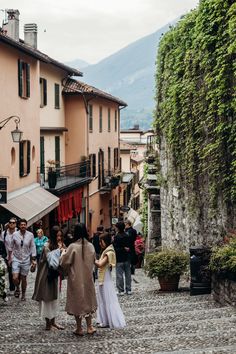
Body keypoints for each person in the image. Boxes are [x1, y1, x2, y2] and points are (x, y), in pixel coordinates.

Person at [60, 223, 97, 336]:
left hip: (75, 277)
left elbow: (64, 262)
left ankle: (79, 328)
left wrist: (62, 253)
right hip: (88, 277)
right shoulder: (91, 246)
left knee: (77, 300)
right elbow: (94, 260)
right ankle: (90, 326)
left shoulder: (72, 247)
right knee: (88, 299)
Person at [32, 226, 64, 331]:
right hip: (47, 275)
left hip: (55, 275)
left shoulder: (60, 245)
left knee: (55, 297)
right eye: (57, 235)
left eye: (60, 235)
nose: (59, 238)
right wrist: (60, 251)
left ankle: (54, 322)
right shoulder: (47, 246)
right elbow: (52, 261)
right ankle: (48, 323)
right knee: (47, 298)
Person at [95, 232, 126, 329]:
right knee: (103, 299)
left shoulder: (109, 252)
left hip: (106, 279)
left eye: (102, 241)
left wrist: (92, 258)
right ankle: (105, 320)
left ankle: (109, 320)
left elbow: (100, 264)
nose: (100, 243)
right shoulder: (107, 251)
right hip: (103, 279)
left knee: (107, 299)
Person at [10, 218, 36, 301]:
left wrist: (33, 259)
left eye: (24, 224)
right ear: (19, 225)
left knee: (24, 278)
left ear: (26, 225)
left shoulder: (30, 235)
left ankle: (23, 294)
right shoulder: (14, 234)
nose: (23, 226)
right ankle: (17, 287)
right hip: (16, 258)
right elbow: (11, 247)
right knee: (15, 278)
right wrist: (9, 258)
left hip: (26, 259)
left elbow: (32, 246)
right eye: (21, 225)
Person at [113, 221, 132, 295]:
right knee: (128, 275)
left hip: (119, 258)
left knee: (119, 275)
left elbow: (115, 248)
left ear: (118, 228)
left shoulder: (117, 237)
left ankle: (121, 290)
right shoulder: (127, 235)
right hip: (127, 257)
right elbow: (130, 247)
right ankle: (128, 289)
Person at [0, 218, 17, 293]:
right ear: (8, 223)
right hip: (7, 255)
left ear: (15, 224)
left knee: (16, 272)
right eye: (10, 222)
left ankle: (17, 285)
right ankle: (12, 287)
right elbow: (1, 244)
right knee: (10, 272)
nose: (12, 224)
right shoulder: (4, 233)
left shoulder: (18, 232)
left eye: (13, 223)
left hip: (17, 256)